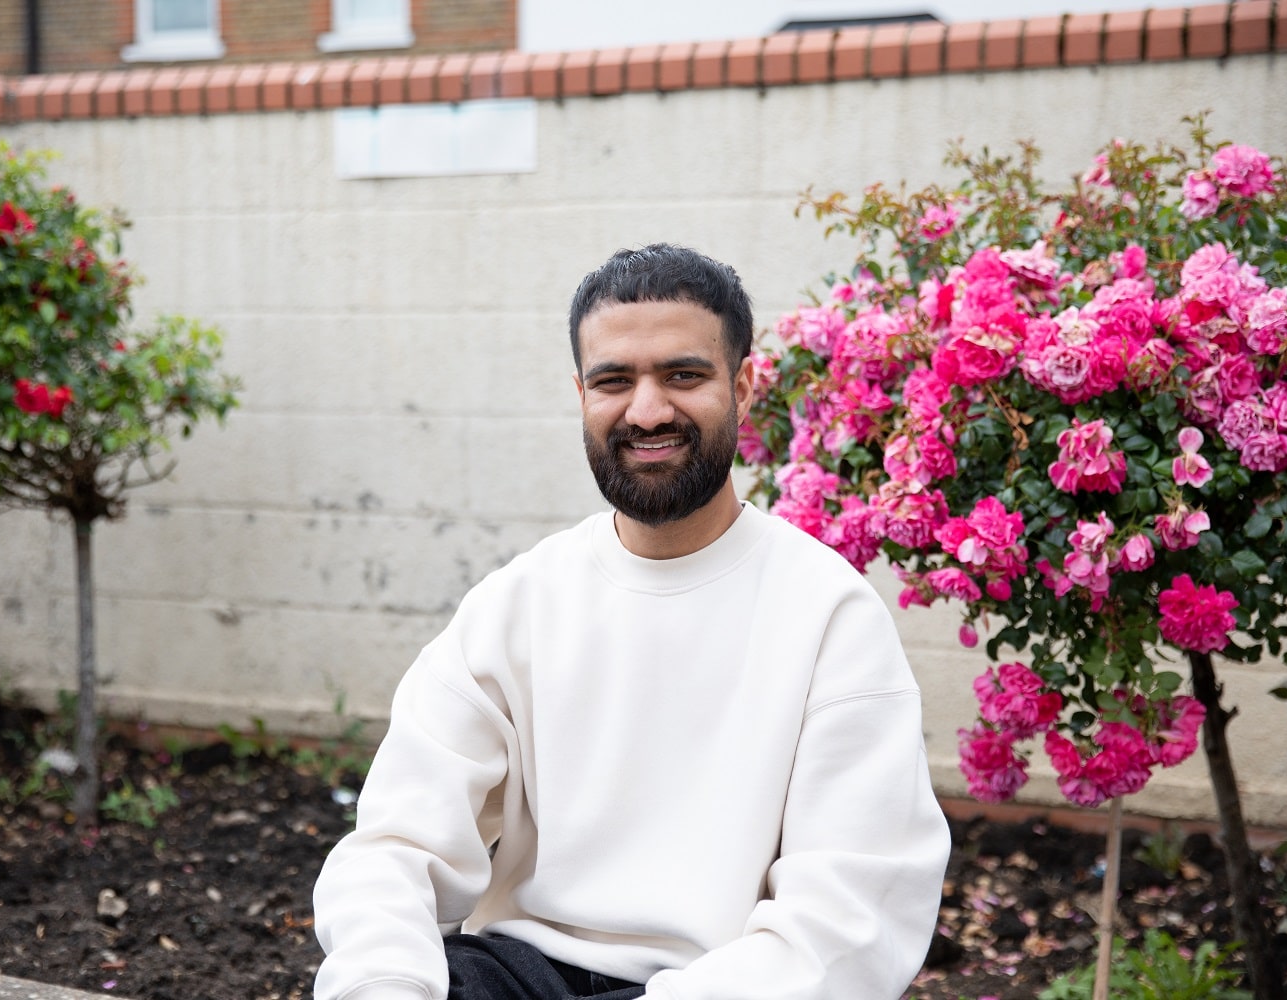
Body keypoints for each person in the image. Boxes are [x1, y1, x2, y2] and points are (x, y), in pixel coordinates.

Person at [312, 244, 951, 1000]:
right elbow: (392, 850)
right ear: (580, 392)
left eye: (683, 375)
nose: (647, 411)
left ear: (743, 385)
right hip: (517, 977)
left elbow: (846, 921)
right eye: (615, 380)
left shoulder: (829, 617)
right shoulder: (517, 605)